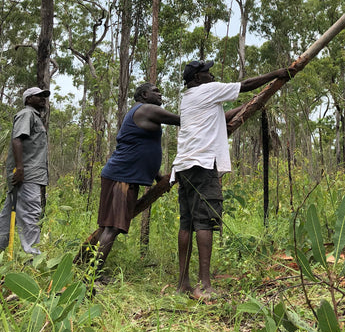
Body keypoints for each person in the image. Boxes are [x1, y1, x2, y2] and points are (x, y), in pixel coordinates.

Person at [172, 60, 292, 300]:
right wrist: (276, 74)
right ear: (197, 78)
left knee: (187, 224)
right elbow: (245, 84)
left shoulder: (189, 97)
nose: (212, 74)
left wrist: (248, 106)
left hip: (184, 167)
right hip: (203, 164)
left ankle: (183, 283)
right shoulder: (208, 89)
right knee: (205, 222)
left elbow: (219, 117)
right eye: (207, 72)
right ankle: (204, 285)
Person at [93, 83, 180, 274]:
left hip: (123, 176)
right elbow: (182, 120)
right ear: (144, 94)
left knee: (107, 227)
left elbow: (140, 149)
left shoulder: (142, 111)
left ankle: (91, 272)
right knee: (111, 228)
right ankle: (91, 277)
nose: (160, 93)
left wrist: (158, 176)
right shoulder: (147, 109)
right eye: (155, 91)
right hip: (121, 178)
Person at [0, 86, 50, 255]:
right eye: (39, 96)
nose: (43, 98)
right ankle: (33, 260)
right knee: (30, 214)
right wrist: (20, 168)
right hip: (26, 175)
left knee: (8, 215)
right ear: (28, 99)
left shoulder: (34, 117)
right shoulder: (27, 114)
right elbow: (16, 140)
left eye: (44, 96)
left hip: (27, 174)